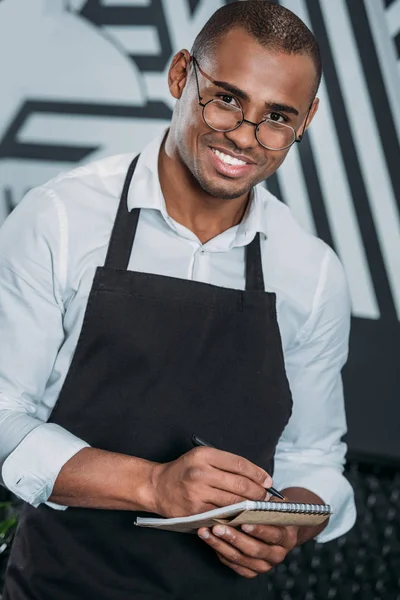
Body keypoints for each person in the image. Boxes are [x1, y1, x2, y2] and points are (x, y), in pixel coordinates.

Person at [0, 2, 356, 598]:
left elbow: (314, 456)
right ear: (180, 74)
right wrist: (153, 485)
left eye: (277, 117)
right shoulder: (59, 220)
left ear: (307, 120)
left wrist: (289, 524)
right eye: (226, 99)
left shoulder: (312, 273)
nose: (245, 135)